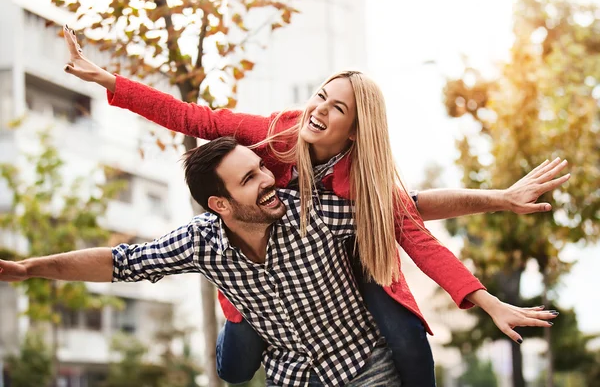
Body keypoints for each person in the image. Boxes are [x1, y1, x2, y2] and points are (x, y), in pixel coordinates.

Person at [61, 26, 569, 385]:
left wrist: (485, 299)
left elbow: (416, 232)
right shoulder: (277, 133)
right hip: (262, 277)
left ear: (357, 127)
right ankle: (242, 316)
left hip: (338, 271)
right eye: (321, 97)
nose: (320, 111)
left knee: (408, 336)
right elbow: (194, 118)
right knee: (234, 370)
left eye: (337, 108)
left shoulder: (366, 183)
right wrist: (110, 82)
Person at [0, 138, 558, 386]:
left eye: (261, 169)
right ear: (219, 205)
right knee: (232, 365)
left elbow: (408, 210)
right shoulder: (200, 242)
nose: (268, 179)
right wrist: (29, 270)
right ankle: (235, 312)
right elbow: (115, 262)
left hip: (364, 367)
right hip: (292, 376)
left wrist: (499, 197)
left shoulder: (312, 211)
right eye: (249, 179)